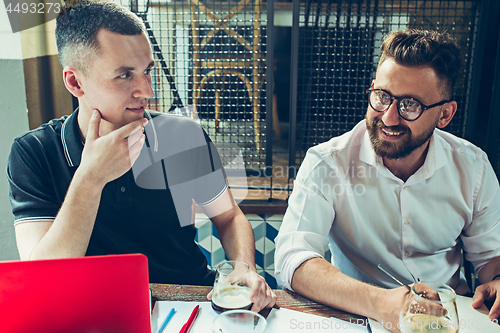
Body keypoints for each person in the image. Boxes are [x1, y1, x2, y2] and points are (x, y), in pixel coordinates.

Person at [7, 0, 276, 312]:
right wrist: (90, 178)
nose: (147, 91)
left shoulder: (184, 136)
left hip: (191, 300)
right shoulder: (34, 153)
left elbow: (229, 217)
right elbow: (43, 279)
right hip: (95, 311)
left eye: (147, 71)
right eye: (124, 75)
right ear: (75, 82)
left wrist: (244, 267)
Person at [274, 28, 500, 331]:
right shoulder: (327, 163)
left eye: (410, 105)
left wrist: (497, 282)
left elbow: (490, 259)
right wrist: (381, 303)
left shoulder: (474, 167)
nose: (389, 117)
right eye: (382, 97)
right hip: (356, 317)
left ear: (445, 114)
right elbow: (292, 259)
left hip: (447, 320)